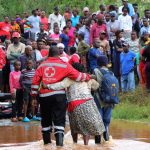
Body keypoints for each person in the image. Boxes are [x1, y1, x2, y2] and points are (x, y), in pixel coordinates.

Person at [31, 46, 92, 146]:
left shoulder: (41, 66)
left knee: (46, 121)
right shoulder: (64, 65)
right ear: (59, 54)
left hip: (44, 96)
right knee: (59, 120)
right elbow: (78, 76)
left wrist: (33, 97)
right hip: (59, 96)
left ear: (48, 54)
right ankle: (59, 146)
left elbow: (34, 83)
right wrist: (88, 76)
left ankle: (46, 145)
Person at [42, 63, 105, 145]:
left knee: (74, 127)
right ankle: (86, 145)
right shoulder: (87, 78)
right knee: (87, 126)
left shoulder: (70, 78)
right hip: (89, 103)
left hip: (74, 105)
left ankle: (74, 144)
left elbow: (60, 85)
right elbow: (96, 86)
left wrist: (48, 86)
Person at [94, 55, 118, 143]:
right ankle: (107, 140)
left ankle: (97, 143)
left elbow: (94, 84)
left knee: (98, 121)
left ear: (98, 63)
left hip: (99, 99)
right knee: (106, 121)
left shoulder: (96, 71)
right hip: (110, 99)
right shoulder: (111, 72)